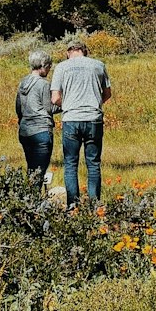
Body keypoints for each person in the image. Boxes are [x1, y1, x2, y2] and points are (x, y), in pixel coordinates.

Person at [51, 40, 111, 209]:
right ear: (85, 51)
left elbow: (55, 98)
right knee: (93, 163)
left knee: (70, 163)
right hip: (93, 119)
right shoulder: (99, 65)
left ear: (68, 52)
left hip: (71, 119)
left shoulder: (62, 67)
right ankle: (94, 205)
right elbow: (107, 93)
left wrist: (69, 104)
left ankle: (73, 206)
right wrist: (94, 104)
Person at [15, 49, 55, 184]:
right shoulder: (43, 84)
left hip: (25, 131)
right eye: (49, 66)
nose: (49, 69)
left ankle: (28, 199)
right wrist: (64, 103)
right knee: (39, 172)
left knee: (31, 169)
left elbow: (18, 107)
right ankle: (35, 202)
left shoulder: (23, 82)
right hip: (41, 131)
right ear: (43, 65)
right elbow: (49, 108)